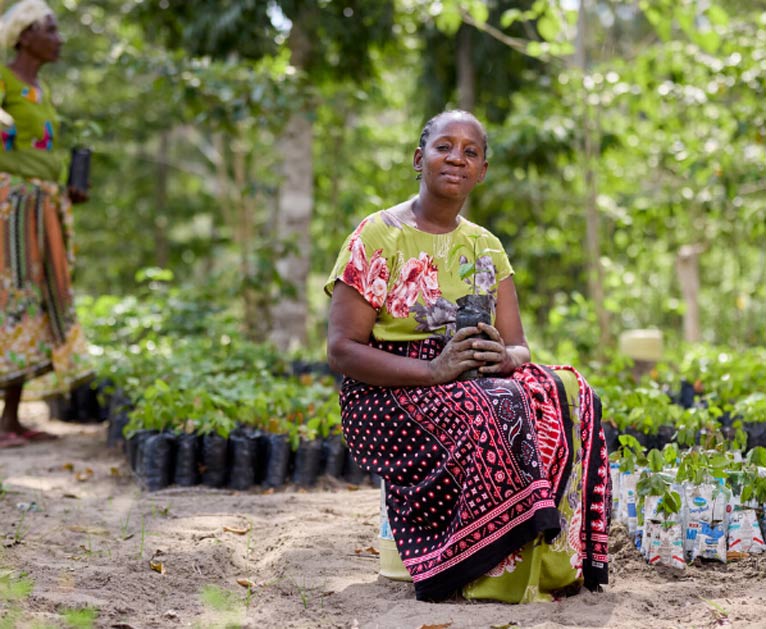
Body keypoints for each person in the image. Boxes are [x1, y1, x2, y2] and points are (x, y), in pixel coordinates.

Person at [325, 110, 610, 603]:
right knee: (498, 406)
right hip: (389, 389)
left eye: (470, 151)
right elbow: (342, 349)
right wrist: (434, 371)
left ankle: (554, 558)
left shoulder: (485, 247)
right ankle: (482, 565)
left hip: (473, 376)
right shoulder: (376, 236)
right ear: (420, 159)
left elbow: (519, 345)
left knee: (571, 391)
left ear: (482, 171)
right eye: (444, 147)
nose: (456, 157)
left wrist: (504, 356)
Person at [0, 0, 91, 447]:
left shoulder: (39, 90)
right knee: (9, 297)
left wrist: (68, 187)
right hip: (9, 206)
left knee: (33, 300)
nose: (59, 38)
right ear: (24, 36)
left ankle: (11, 419)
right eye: (50, 30)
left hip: (42, 205)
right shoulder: (4, 79)